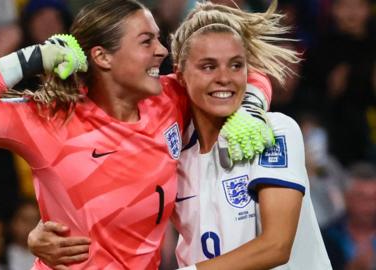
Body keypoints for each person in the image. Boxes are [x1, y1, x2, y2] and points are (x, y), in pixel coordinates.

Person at [0, 0, 273, 268]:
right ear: (102, 56)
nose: (162, 50)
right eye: (146, 41)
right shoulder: (49, 119)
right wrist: (31, 58)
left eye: (157, 38)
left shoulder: (168, 99)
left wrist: (251, 109)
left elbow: (248, 73)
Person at [27, 1, 331, 269]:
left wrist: (251, 106)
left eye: (236, 66)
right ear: (180, 76)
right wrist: (42, 234)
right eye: (208, 66)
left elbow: (276, 246)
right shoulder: (172, 152)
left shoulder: (272, 130)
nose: (224, 77)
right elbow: (107, 205)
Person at [322, 162, 376, 270]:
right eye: (361, 198)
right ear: (347, 198)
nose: (369, 206)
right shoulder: (326, 237)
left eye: (374, 198)